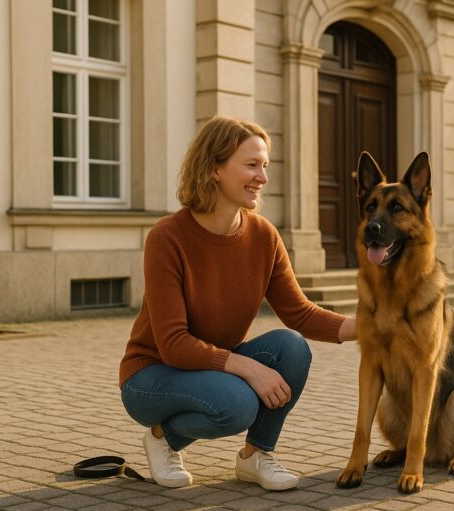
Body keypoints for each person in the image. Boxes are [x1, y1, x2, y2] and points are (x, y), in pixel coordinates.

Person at [119, 116, 356, 490]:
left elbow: (300, 313)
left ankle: (255, 456)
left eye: (265, 165)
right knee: (238, 404)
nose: (263, 177)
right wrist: (248, 368)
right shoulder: (167, 237)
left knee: (291, 347)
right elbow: (174, 344)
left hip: (212, 368)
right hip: (151, 376)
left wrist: (372, 325)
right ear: (214, 168)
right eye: (252, 165)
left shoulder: (264, 236)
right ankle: (162, 438)